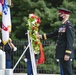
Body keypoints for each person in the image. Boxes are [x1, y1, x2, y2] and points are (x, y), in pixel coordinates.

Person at [38, 8, 74, 75]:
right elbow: (53, 34)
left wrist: (67, 53)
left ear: (64, 15)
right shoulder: (62, 26)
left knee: (68, 72)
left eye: (60, 14)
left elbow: (70, 41)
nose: (58, 16)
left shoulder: (68, 26)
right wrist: (41, 36)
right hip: (61, 52)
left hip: (65, 53)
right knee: (64, 72)